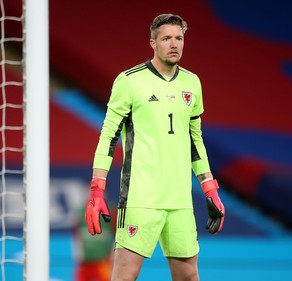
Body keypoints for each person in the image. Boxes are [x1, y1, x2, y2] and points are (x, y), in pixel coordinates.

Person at [85, 13, 225, 281]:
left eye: (179, 38)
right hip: (141, 197)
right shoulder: (129, 81)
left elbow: (195, 139)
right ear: (153, 42)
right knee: (125, 275)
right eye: (166, 38)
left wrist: (210, 187)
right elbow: (108, 136)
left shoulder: (192, 83)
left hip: (180, 199)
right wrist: (97, 189)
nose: (174, 44)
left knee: (188, 276)